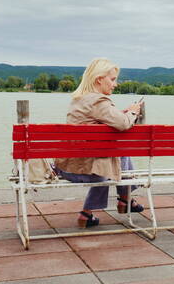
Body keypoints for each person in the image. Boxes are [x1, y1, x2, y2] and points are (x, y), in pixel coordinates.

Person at [54, 58, 144, 228]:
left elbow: (102, 117)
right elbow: (124, 124)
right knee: (112, 159)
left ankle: (91, 213)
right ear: (99, 79)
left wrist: (120, 113)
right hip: (80, 169)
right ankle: (125, 199)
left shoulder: (78, 100)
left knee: (111, 155)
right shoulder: (99, 101)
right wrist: (132, 113)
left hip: (67, 164)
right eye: (112, 79)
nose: (115, 84)